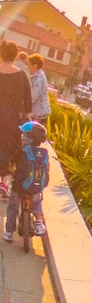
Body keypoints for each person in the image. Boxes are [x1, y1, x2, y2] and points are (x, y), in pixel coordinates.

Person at [3, 121, 49, 241]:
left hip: (18, 187)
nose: (22, 137)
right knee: (37, 203)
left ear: (29, 137)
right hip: (35, 188)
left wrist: (10, 170)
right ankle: (39, 222)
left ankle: (8, 232)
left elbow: (12, 163)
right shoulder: (43, 153)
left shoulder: (22, 151)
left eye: (24, 135)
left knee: (12, 207)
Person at [0, 41, 32, 200]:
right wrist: (28, 118)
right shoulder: (21, 75)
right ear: (15, 56)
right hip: (13, 120)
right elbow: (28, 101)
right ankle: (4, 183)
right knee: (8, 150)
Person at [26, 54, 50, 125]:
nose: (28, 67)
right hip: (38, 113)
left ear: (35, 66)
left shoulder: (39, 78)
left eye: (29, 65)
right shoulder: (37, 76)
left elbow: (33, 96)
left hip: (38, 114)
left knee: (33, 134)